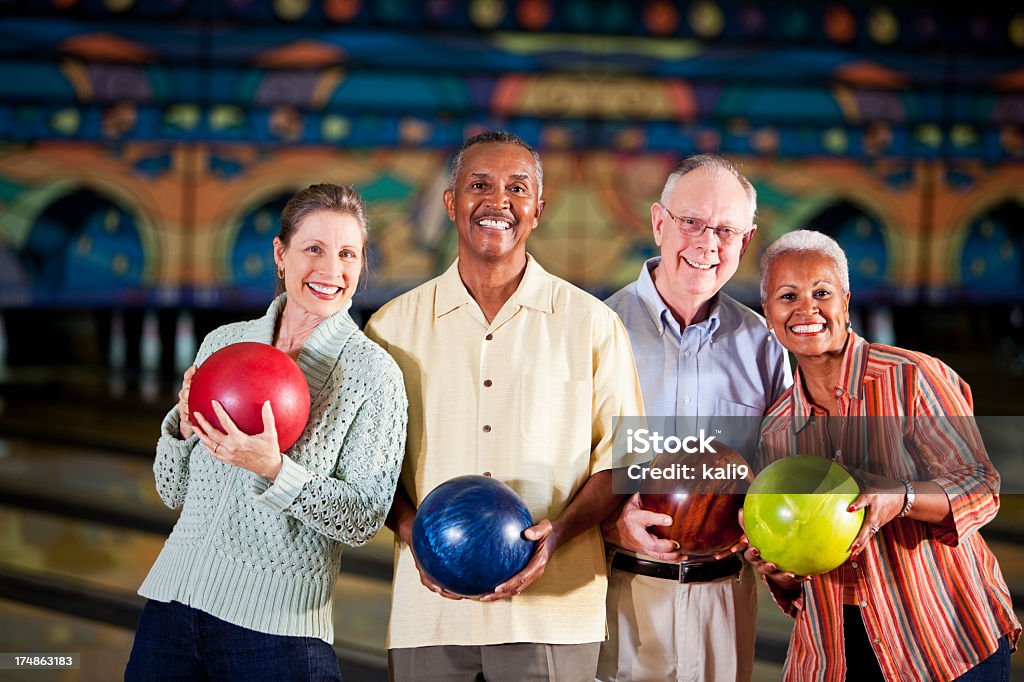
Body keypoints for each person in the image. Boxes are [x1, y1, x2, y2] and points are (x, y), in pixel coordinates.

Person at [365, 131, 645, 681]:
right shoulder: (390, 328)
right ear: (451, 203)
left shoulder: (592, 324)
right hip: (430, 617)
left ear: (538, 209)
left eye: (517, 188)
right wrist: (412, 535)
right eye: (479, 185)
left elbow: (623, 461)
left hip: (556, 614)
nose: (499, 202)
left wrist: (559, 534)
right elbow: (371, 467)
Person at [125, 184, 408, 681]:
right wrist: (183, 427)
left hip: (276, 629)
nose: (330, 270)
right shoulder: (223, 343)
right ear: (281, 255)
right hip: (172, 605)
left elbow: (363, 518)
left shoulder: (373, 374)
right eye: (313, 249)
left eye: (347, 254)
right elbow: (172, 493)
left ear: (362, 266)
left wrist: (273, 469)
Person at [749, 229, 1020, 681]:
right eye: (787, 295)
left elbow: (981, 486)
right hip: (835, 653)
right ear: (768, 313)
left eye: (821, 293)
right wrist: (780, 573)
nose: (806, 309)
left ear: (847, 301)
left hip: (942, 642)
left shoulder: (913, 377)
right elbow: (801, 586)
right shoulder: (777, 430)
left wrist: (902, 497)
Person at [597, 154, 792, 682]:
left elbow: (782, 472)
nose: (708, 243)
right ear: (660, 222)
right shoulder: (597, 331)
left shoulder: (765, 347)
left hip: (725, 599)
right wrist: (608, 520)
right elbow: (553, 462)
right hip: (620, 592)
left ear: (746, 241)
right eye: (692, 223)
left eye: (726, 229)